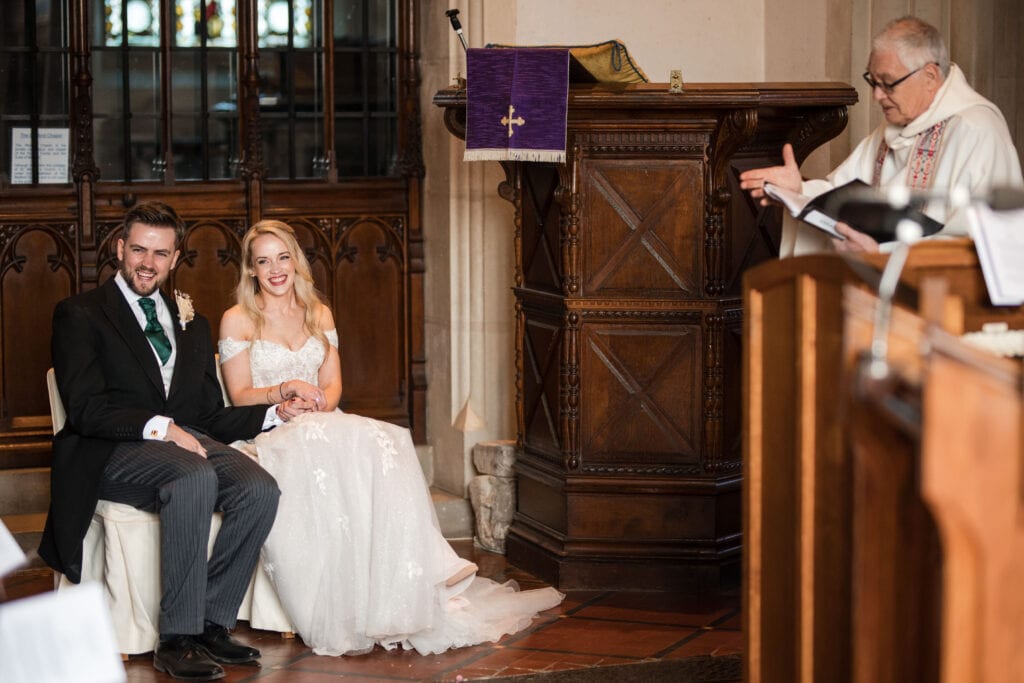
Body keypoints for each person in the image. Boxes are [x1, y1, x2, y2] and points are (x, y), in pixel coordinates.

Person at [217, 220, 564, 656]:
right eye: (264, 261)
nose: (275, 270)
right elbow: (239, 395)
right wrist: (284, 394)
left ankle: (428, 568)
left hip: (323, 421)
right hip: (271, 429)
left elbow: (333, 383)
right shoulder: (238, 319)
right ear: (251, 269)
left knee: (389, 440)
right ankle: (423, 570)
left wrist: (320, 404)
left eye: (283, 257)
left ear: (296, 261)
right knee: (343, 445)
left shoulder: (318, 313)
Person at [39, 201, 288, 682]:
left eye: (159, 253)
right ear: (119, 249)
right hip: (109, 452)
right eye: (138, 250)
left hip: (183, 444)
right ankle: (177, 638)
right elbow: (86, 409)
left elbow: (209, 416)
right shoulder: (80, 313)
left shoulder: (192, 320)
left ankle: (211, 624)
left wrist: (276, 410)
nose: (147, 263)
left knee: (259, 488)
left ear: (174, 259)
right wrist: (160, 427)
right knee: (192, 475)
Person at [740, 15, 1023, 255]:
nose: (877, 96)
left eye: (888, 84)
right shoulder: (892, 129)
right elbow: (842, 195)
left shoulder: (977, 131)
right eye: (873, 82)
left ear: (929, 76)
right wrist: (799, 191)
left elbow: (989, 243)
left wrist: (883, 255)